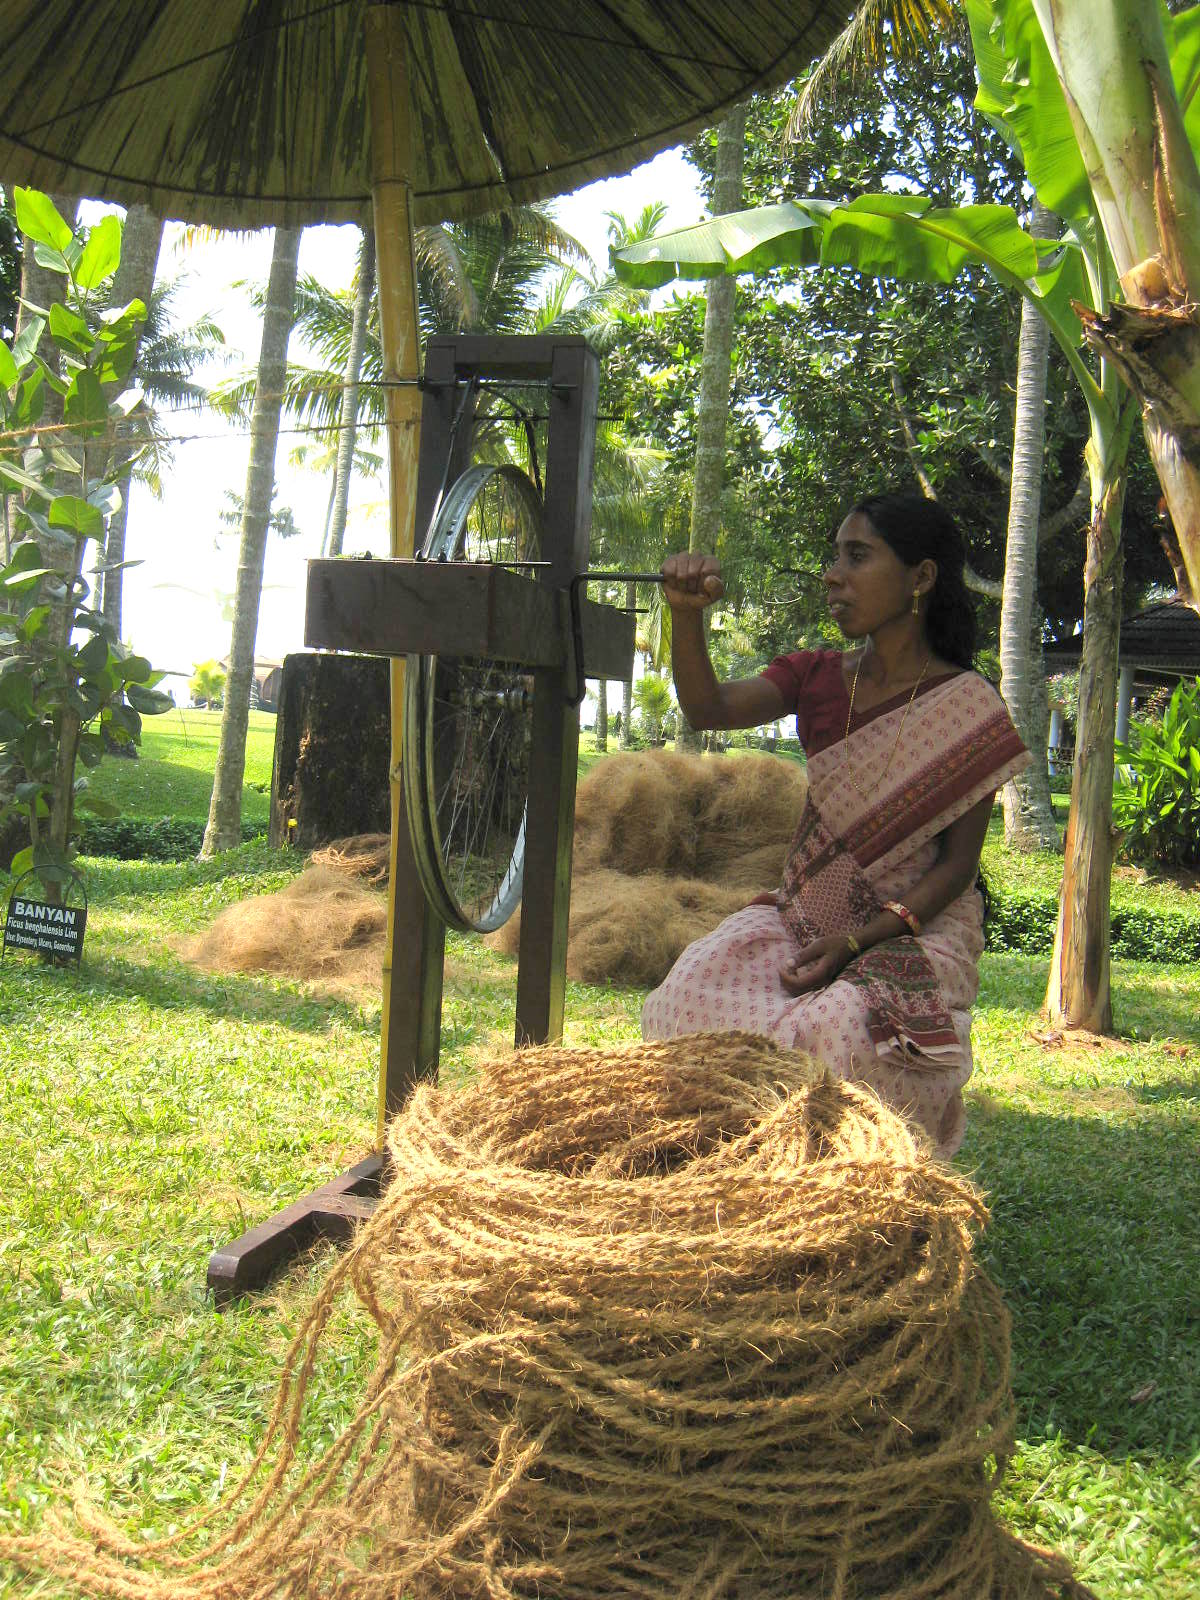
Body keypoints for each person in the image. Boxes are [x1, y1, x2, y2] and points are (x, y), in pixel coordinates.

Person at [641, 493, 1030, 1157]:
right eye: (833, 556)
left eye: (857, 556)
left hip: (913, 924)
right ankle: (727, 1163)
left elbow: (956, 870)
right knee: (691, 990)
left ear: (921, 577)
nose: (832, 574)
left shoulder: (967, 708)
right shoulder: (817, 676)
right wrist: (685, 617)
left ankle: (845, 1181)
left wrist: (859, 943)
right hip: (805, 909)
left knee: (844, 1029)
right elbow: (708, 707)